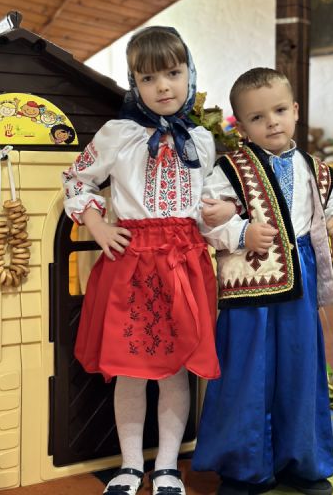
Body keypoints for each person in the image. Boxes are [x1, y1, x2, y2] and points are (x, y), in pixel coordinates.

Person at [62, 26, 235, 495]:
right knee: (131, 372)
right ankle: (130, 466)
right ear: (133, 83)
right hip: (132, 266)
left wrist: (225, 211)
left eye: (173, 73)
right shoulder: (117, 135)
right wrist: (97, 225)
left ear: (189, 74)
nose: (162, 87)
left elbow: (213, 198)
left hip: (184, 265)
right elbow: (77, 179)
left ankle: (167, 468)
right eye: (148, 78)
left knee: (176, 372)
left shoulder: (202, 139)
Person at [192, 68, 333, 495]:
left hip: (298, 282)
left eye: (280, 110)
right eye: (257, 117)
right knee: (246, 373)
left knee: (300, 369)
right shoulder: (229, 170)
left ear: (296, 111)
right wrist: (239, 232)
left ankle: (301, 463)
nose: (272, 122)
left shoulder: (315, 170)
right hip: (249, 287)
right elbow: (205, 217)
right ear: (241, 127)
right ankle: (243, 468)